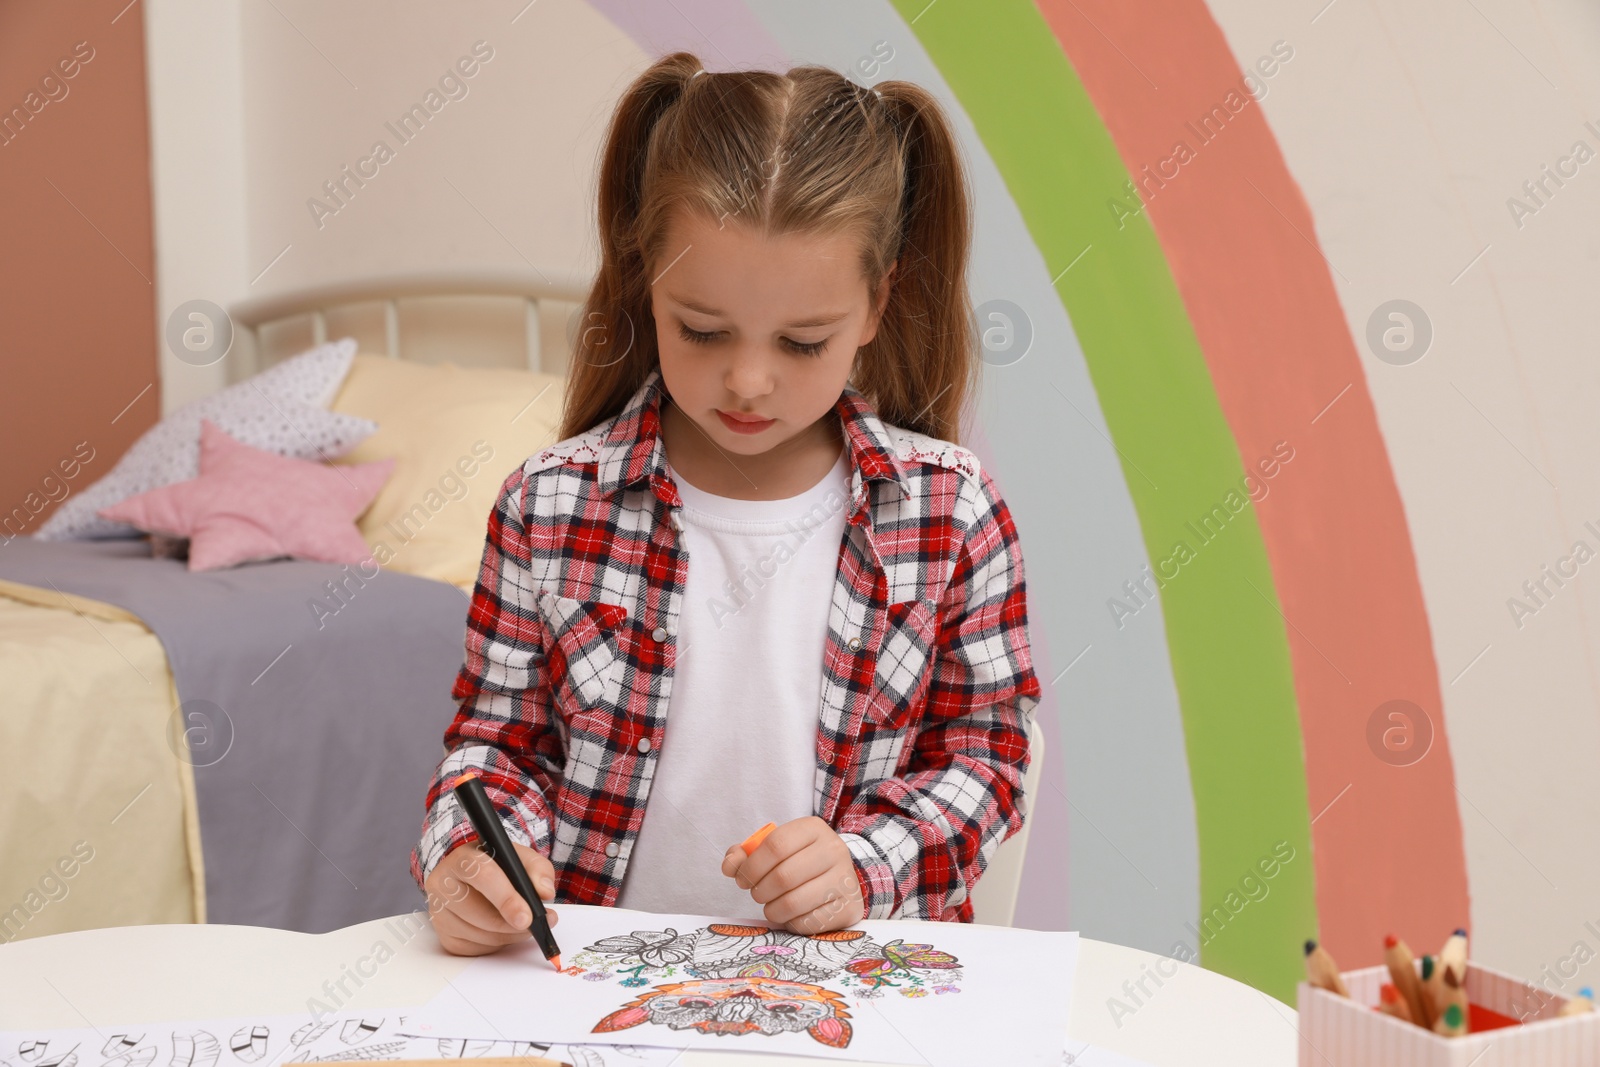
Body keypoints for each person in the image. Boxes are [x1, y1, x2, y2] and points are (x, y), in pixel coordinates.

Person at [409, 51, 1042, 957]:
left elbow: (987, 756)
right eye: (701, 331)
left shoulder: (948, 509)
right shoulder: (549, 505)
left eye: (801, 340)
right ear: (646, 283)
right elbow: (495, 750)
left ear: (877, 302)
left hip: (848, 1001)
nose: (748, 380)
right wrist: (471, 852)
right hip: (583, 995)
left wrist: (867, 863)